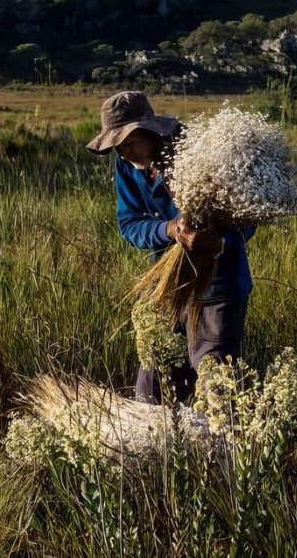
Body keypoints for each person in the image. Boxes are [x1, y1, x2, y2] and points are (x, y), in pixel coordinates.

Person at [86, 91, 256, 404]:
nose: (123, 154)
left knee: (215, 385)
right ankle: (161, 450)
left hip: (220, 287)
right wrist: (170, 229)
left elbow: (247, 218)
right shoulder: (127, 165)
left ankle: (221, 451)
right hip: (170, 286)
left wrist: (218, 242)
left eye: (128, 143)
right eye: (117, 147)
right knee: (154, 381)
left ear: (150, 132)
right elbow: (129, 225)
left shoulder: (201, 151)